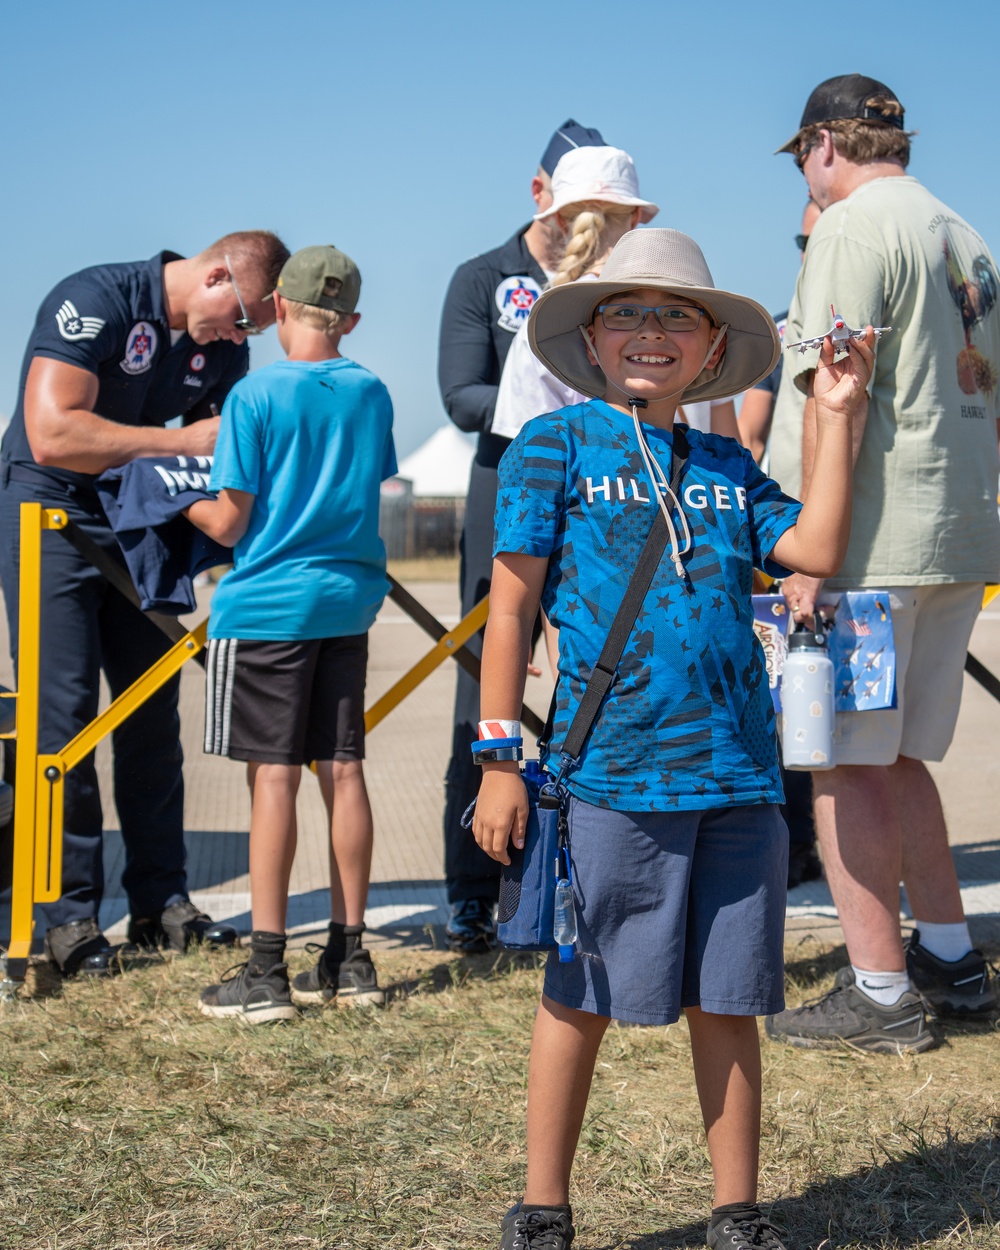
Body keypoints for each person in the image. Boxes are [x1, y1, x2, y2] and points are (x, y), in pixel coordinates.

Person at [472, 227, 874, 1250]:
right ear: (593, 338)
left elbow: (817, 546)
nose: (650, 331)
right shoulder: (551, 449)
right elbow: (509, 614)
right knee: (581, 989)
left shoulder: (728, 464)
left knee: (730, 997)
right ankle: (544, 1203)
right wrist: (496, 757)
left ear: (709, 348)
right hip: (608, 770)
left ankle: (735, 1209)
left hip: (735, 773)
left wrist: (839, 412)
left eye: (676, 316)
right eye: (628, 313)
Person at [765, 74, 1000, 1053]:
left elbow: (837, 387)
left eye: (804, 160)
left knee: (841, 765)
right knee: (897, 759)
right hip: (953, 532)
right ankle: (950, 959)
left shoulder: (854, 227)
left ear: (824, 143)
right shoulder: (961, 231)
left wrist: (812, 547)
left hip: (867, 542)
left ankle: (878, 991)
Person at [0, 231, 290, 977]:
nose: (240, 336)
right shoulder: (95, 297)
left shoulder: (223, 351)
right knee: (62, 717)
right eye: (243, 317)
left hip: (137, 517)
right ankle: (66, 915)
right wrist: (175, 443)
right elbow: (53, 432)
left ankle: (163, 904)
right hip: (50, 515)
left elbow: (230, 451)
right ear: (217, 273)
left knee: (152, 713)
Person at [184, 245, 396, 1023]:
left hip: (267, 607)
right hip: (347, 602)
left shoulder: (255, 394)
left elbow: (230, 519)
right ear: (352, 320)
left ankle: (266, 969)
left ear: (276, 308)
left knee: (271, 778)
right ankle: (352, 956)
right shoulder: (371, 393)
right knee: (343, 769)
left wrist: (174, 500)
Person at [438, 119, 608, 951]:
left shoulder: (624, 286)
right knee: (488, 698)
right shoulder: (485, 276)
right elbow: (461, 395)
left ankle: (578, 881)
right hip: (508, 494)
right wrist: (550, 416)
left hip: (602, 510)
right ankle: (473, 894)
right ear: (539, 192)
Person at [739, 199, 824, 890]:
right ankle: (792, 843)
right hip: (781, 538)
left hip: (825, 537)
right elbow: (750, 432)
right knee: (782, 695)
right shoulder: (781, 328)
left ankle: (803, 844)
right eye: (805, 231)